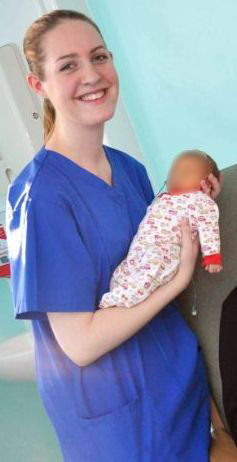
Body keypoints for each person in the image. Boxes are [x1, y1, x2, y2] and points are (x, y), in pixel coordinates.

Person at [5, 9, 223, 462]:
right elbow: (81, 345)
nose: (92, 75)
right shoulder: (39, 198)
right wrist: (179, 281)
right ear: (38, 86)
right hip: (120, 429)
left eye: (99, 57)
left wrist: (195, 195)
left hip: (183, 392)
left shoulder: (131, 171)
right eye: (68, 65)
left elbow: (156, 256)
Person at [99, 149, 223, 309]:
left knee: (151, 270)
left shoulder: (201, 201)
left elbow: (209, 226)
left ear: (206, 182)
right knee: (125, 269)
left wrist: (212, 255)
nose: (177, 176)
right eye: (173, 171)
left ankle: (123, 299)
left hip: (165, 250)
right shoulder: (163, 198)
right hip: (141, 246)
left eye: (186, 172)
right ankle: (117, 290)